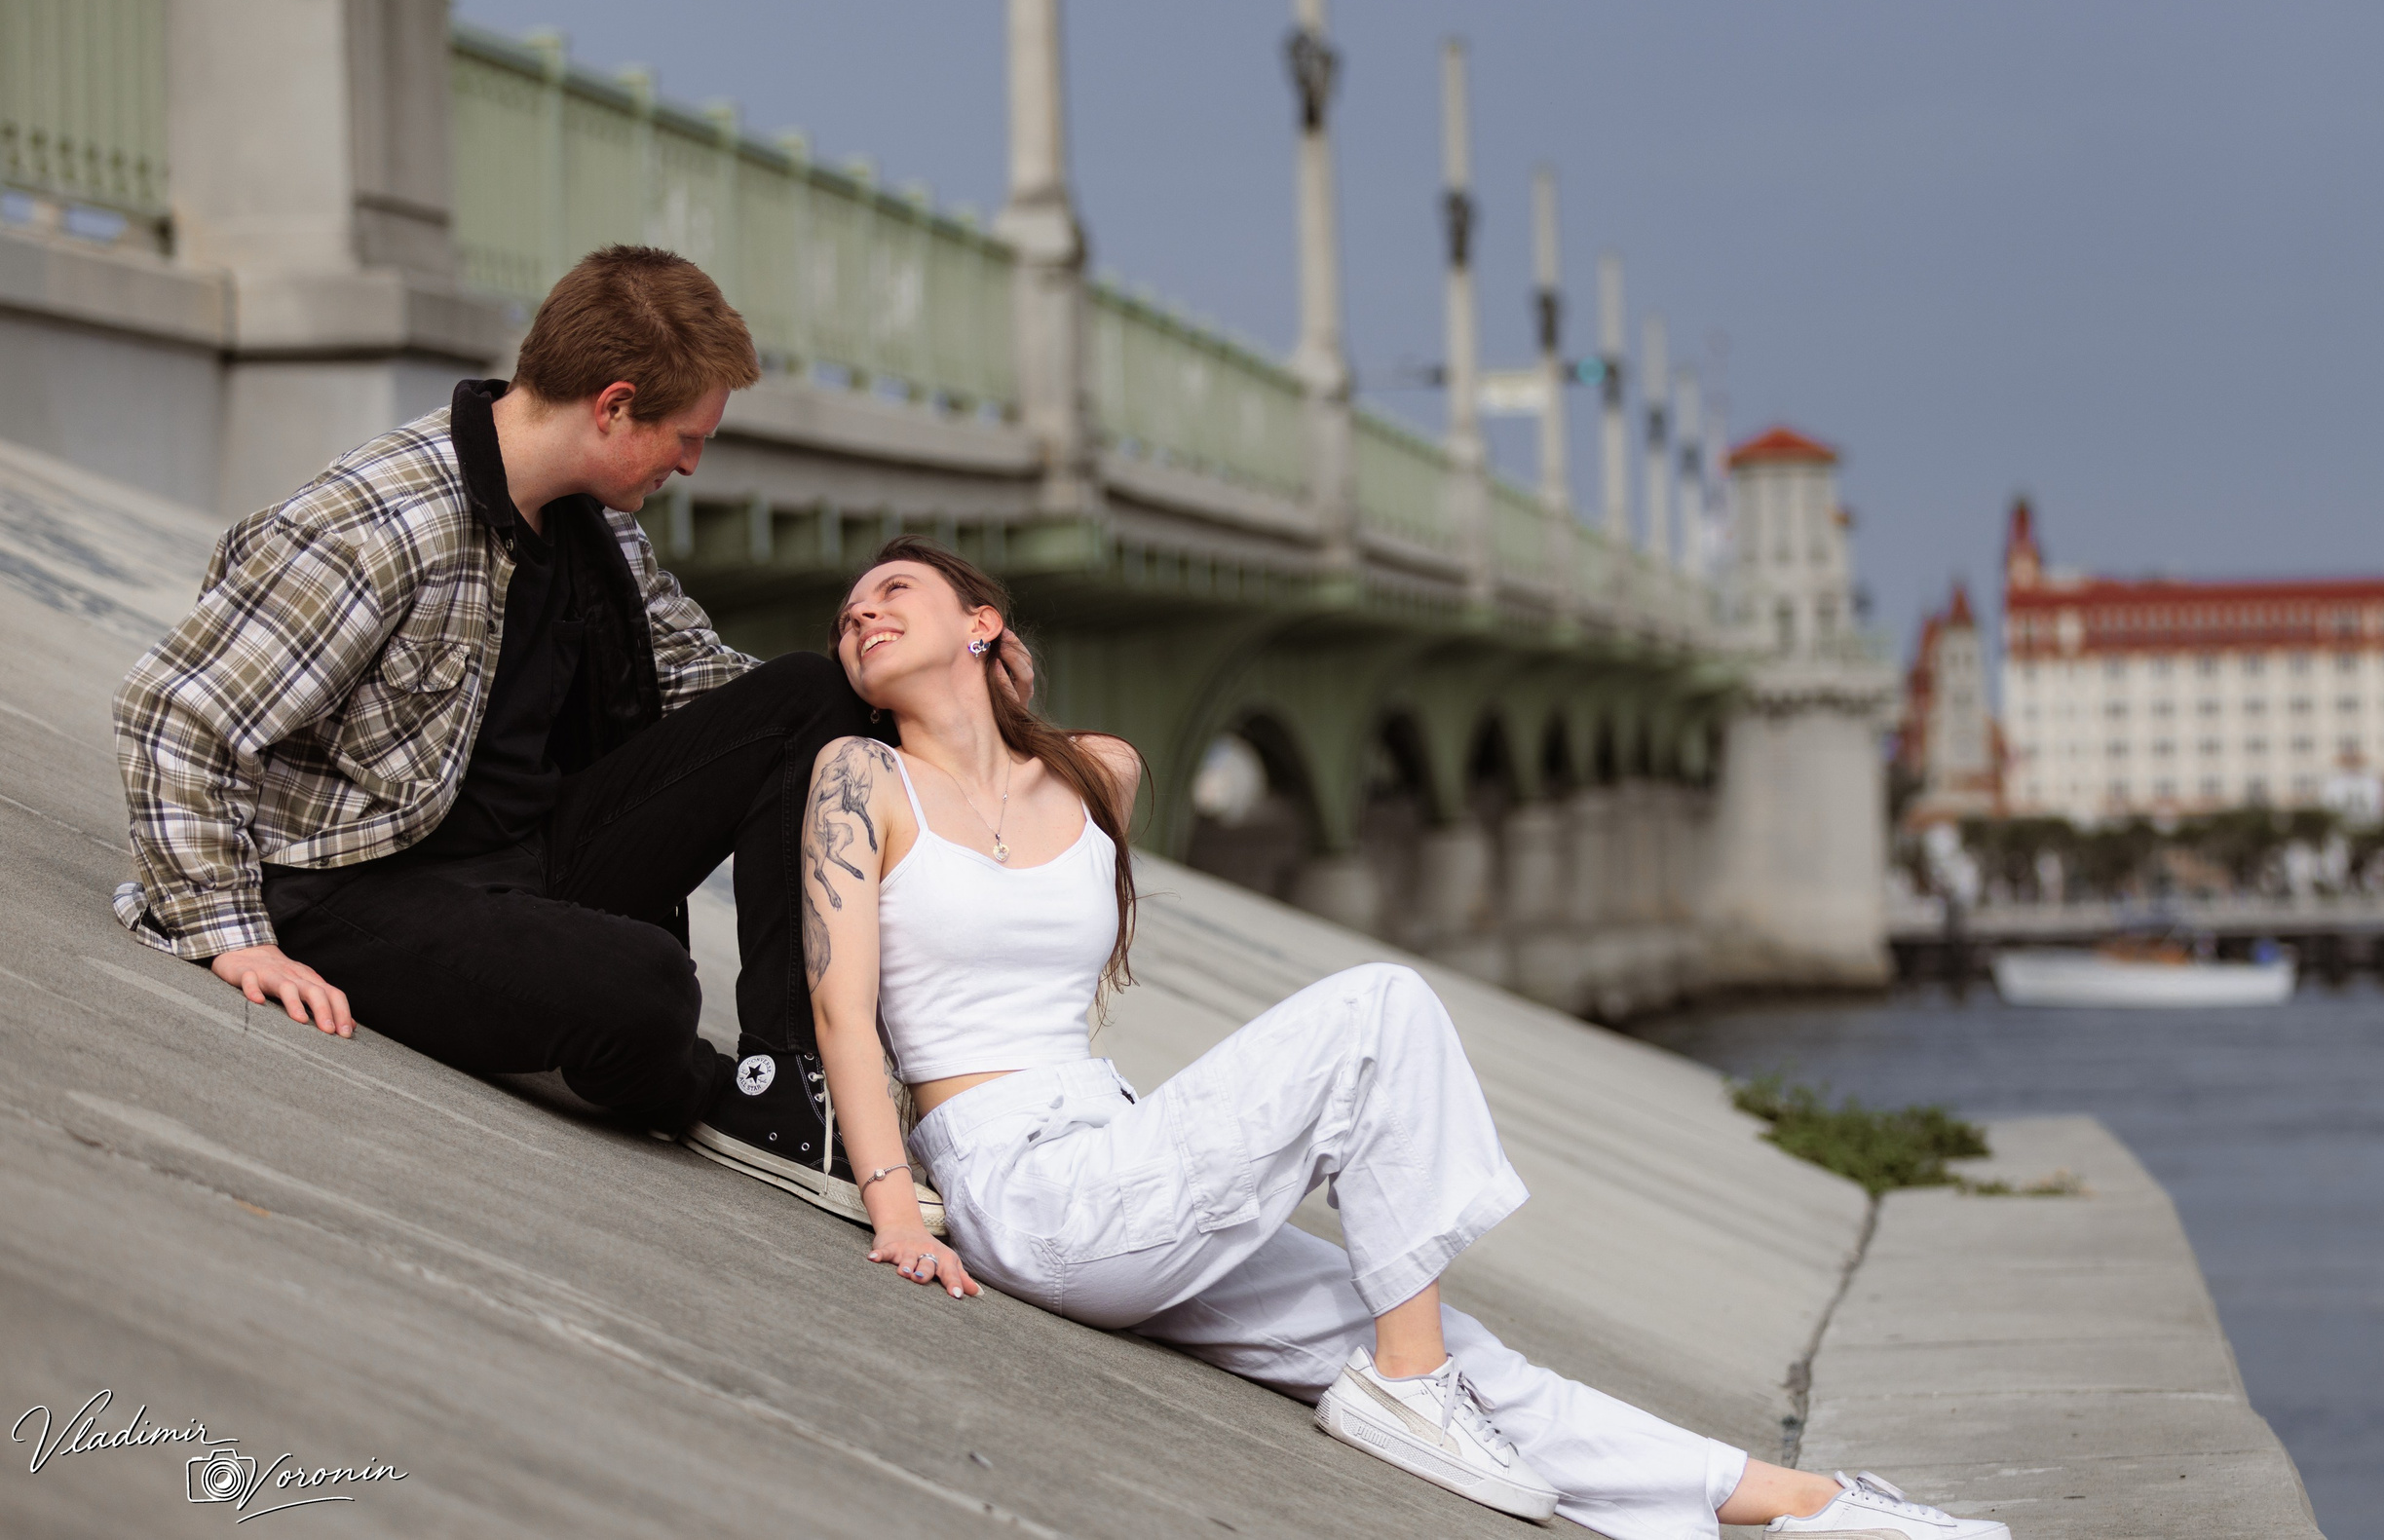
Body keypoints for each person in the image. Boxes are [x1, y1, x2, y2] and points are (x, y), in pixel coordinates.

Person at [790, 535, 2011, 1540]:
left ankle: (1799, 1503)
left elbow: (1043, 842)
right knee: (1379, 1009)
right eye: (848, 616)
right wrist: (897, 1210)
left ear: (983, 623)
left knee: (1459, 1347)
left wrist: (1004, 711)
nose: (861, 615)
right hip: (1017, 1177)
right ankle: (1409, 1390)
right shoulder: (858, 778)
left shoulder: (1099, 772)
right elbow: (843, 1005)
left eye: (892, 590)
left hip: (1119, 1149)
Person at [111, 246, 980, 1226]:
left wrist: (933, 696)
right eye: (686, 438)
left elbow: (707, 685)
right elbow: (174, 710)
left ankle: (783, 1084)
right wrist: (231, 934)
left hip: (529, 857)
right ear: (614, 407)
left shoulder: (594, 526)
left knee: (809, 699)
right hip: (354, 885)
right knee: (647, 991)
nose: (692, 464)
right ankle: (702, 1087)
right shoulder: (383, 523)